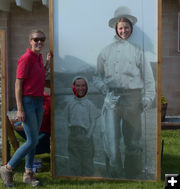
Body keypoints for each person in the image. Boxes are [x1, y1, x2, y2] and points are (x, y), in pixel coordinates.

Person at [94, 7, 155, 179]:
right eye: (120, 28)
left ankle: (132, 173)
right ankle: (114, 172)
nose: (123, 31)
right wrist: (104, 88)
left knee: (133, 140)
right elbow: (96, 76)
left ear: (131, 28)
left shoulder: (138, 51)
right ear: (116, 29)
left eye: (126, 27)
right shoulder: (106, 51)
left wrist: (148, 97)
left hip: (133, 98)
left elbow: (149, 79)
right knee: (112, 141)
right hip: (111, 99)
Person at [0, 29, 51, 187]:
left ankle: (28, 174)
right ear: (30, 41)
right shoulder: (26, 58)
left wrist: (47, 63)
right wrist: (20, 108)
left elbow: (41, 76)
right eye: (36, 39)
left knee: (33, 140)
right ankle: (7, 168)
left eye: (42, 39)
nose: (39, 42)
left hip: (38, 102)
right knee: (32, 140)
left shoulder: (38, 57)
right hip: (28, 102)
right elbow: (18, 85)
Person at [64, 77, 100, 176]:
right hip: (73, 136)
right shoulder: (70, 104)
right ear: (73, 87)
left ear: (87, 87)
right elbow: (67, 120)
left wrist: (88, 135)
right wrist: (70, 133)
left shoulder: (89, 104)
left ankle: (87, 180)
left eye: (83, 86)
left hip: (86, 136)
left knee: (87, 161)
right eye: (78, 85)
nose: (80, 88)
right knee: (74, 161)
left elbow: (93, 122)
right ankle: (76, 179)